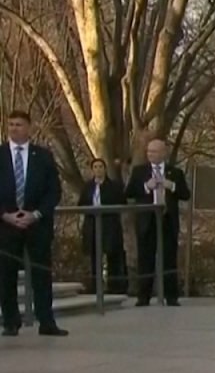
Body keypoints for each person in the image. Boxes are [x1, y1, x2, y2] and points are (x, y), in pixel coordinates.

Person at [1, 109, 66, 337]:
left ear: (29, 127)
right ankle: (10, 321)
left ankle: (46, 322)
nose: (14, 128)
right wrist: (5, 215)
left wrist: (36, 214)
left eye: (19, 124)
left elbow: (54, 191)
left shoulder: (43, 156)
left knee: (41, 274)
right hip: (7, 225)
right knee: (6, 274)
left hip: (37, 224)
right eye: (11, 124)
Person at [125, 139, 189, 307]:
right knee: (145, 258)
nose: (150, 155)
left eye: (154, 152)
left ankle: (171, 296)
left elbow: (185, 194)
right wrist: (146, 187)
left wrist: (172, 186)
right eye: (148, 152)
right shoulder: (139, 172)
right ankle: (143, 296)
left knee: (169, 258)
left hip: (168, 220)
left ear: (163, 153)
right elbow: (129, 192)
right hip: (147, 220)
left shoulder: (175, 172)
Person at [78, 158, 129, 295]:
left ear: (105, 169)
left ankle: (115, 286)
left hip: (110, 224)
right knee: (95, 255)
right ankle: (95, 286)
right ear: (92, 170)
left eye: (101, 166)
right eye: (95, 167)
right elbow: (81, 204)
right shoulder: (88, 187)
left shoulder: (114, 186)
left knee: (113, 254)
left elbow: (122, 202)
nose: (98, 169)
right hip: (92, 224)